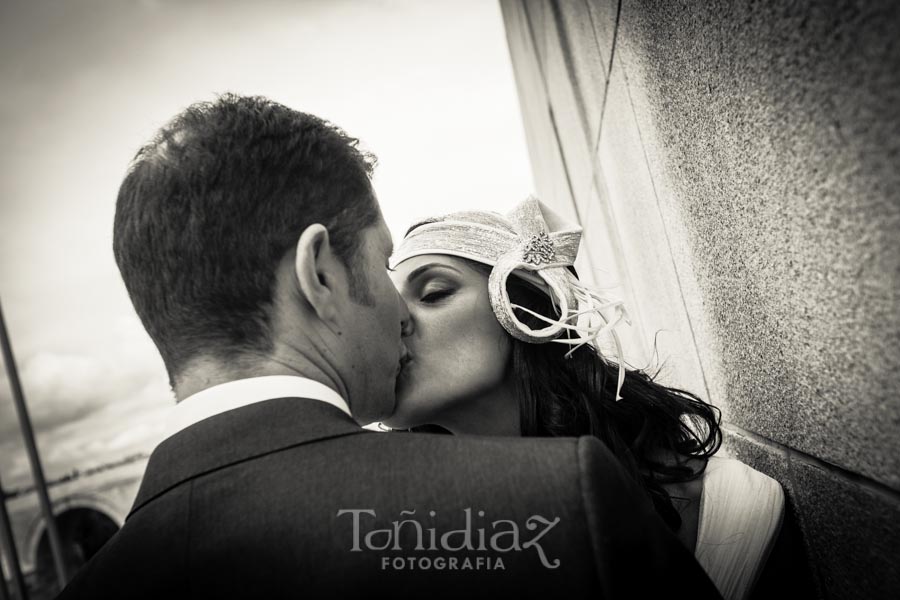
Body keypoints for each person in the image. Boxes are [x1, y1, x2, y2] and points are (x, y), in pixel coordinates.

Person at [57, 95, 722, 599]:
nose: (399, 318)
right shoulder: (556, 502)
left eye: (431, 292)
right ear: (319, 274)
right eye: (384, 270)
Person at [386, 197, 792, 600]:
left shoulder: (727, 510)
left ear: (525, 310)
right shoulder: (416, 536)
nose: (393, 322)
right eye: (386, 305)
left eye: (434, 292)